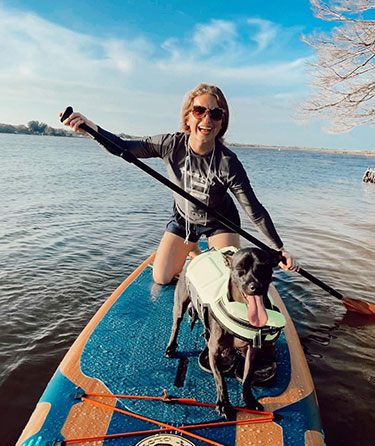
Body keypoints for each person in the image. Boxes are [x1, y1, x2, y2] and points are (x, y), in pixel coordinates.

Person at [62, 83, 297, 285]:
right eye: (199, 111)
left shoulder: (228, 163)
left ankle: (199, 250)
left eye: (215, 114)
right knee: (161, 278)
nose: (207, 119)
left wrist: (278, 247)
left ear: (222, 121)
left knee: (226, 280)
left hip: (220, 222)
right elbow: (124, 147)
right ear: (188, 116)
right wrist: (91, 128)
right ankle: (193, 249)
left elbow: (253, 210)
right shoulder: (170, 145)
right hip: (184, 220)